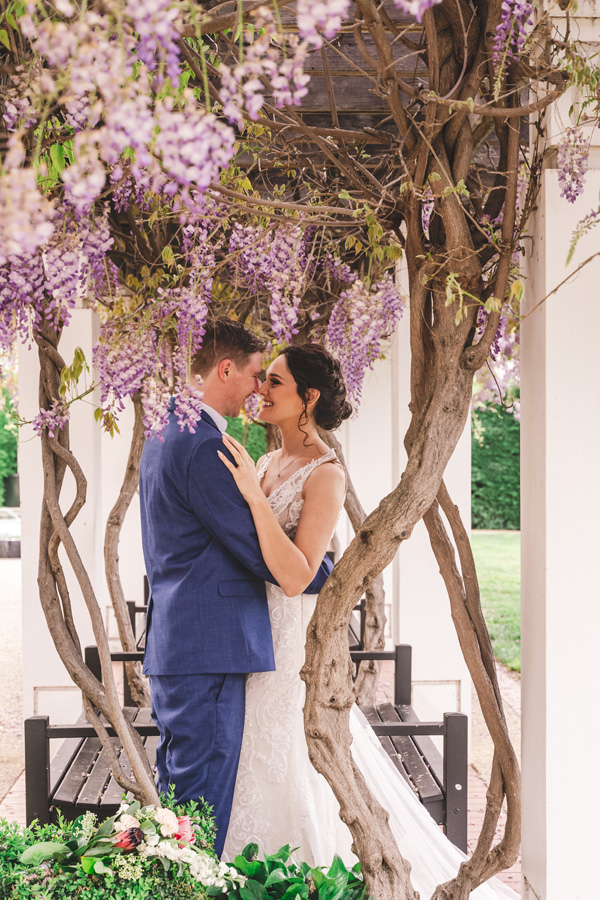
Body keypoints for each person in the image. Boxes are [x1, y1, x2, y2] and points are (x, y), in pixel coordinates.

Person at [218, 343, 519, 900]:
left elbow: (297, 575)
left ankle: (309, 879)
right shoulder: (264, 462)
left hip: (293, 640)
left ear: (308, 397)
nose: (261, 389)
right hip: (256, 632)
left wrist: (254, 501)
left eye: (275, 382)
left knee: (293, 754)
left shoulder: (326, 474)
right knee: (252, 755)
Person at [138, 319, 333, 857]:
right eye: (255, 374)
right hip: (209, 647)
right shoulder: (204, 445)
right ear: (225, 369)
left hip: (182, 640)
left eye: (270, 379)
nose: (258, 388)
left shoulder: (164, 430)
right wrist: (328, 570)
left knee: (180, 801)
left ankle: (172, 885)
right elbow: (258, 550)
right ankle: (183, 890)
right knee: (198, 808)